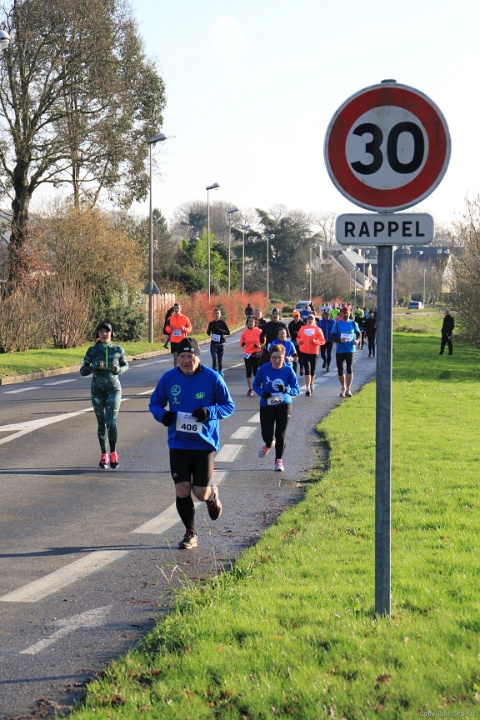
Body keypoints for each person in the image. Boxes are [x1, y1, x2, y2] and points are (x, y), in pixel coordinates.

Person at [149, 337, 235, 550]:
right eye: (182, 356)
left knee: (200, 492)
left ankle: (212, 496)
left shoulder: (212, 378)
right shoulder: (169, 378)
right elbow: (155, 403)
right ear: (177, 358)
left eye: (190, 356)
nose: (186, 361)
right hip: (178, 442)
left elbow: (229, 406)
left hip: (203, 444)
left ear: (198, 357)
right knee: (182, 489)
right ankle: (190, 532)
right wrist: (163, 415)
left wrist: (209, 412)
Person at [80, 322, 129, 469]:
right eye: (101, 331)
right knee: (101, 423)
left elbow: (126, 365)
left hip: (113, 389)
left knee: (111, 422)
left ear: (111, 333)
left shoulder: (118, 350)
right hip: (97, 391)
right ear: (98, 334)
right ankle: (103, 454)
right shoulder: (92, 350)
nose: (104, 334)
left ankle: (113, 452)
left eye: (107, 331)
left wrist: (118, 369)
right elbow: (83, 371)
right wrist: (94, 367)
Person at [253, 344, 300, 472]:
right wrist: (262, 393)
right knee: (267, 434)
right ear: (270, 357)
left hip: (284, 404)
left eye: (280, 357)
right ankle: (268, 443)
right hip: (267, 405)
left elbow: (296, 390)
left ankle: (278, 460)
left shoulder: (288, 370)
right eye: (274, 357)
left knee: (280, 433)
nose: (277, 360)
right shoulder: (264, 369)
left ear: (284, 357)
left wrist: (286, 389)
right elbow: (256, 385)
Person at [331, 305, 361, 398]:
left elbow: (359, 334)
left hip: (350, 349)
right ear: (341, 313)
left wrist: (357, 340)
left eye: (347, 313)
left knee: (349, 368)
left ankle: (348, 388)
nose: (346, 314)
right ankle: (343, 387)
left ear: (350, 313)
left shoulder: (353, 323)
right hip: (340, 350)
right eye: (344, 313)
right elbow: (332, 337)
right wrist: (340, 340)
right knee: (340, 371)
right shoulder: (337, 324)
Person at [296, 314, 326, 396]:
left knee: (312, 371)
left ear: (314, 321)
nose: (309, 320)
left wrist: (316, 342)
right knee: (307, 369)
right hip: (304, 351)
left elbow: (323, 341)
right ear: (306, 320)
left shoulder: (318, 329)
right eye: (308, 319)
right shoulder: (302, 328)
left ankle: (311, 383)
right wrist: (299, 341)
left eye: (311, 319)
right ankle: (308, 388)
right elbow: (298, 337)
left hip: (314, 352)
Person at [239, 315, 263, 396]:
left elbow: (264, 341)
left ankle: (259, 385)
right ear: (247, 323)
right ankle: (250, 389)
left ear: (255, 323)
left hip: (256, 353)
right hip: (247, 354)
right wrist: (243, 344)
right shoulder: (244, 332)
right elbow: (241, 343)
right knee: (248, 371)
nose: (250, 323)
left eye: (252, 321)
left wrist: (259, 345)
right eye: (249, 321)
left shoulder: (259, 331)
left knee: (256, 372)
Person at [164, 303, 193, 367]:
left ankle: (181, 368)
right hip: (173, 341)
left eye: (178, 308)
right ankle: (176, 370)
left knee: (181, 356)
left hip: (182, 341)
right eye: (175, 308)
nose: (176, 310)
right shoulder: (170, 318)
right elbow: (167, 328)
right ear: (173, 309)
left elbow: (190, 328)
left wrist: (184, 329)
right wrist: (171, 329)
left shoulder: (185, 318)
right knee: (175, 356)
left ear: (180, 309)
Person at [206, 308, 231, 375]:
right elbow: (208, 333)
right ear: (213, 315)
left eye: (218, 313)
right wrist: (208, 331)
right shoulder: (211, 323)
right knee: (214, 358)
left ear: (220, 315)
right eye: (215, 313)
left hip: (221, 344)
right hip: (213, 344)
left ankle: (220, 373)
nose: (217, 315)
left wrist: (220, 330)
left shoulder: (222, 323)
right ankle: (214, 373)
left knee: (220, 360)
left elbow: (228, 332)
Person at [318, 307, 335, 372]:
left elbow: (336, 329)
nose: (326, 317)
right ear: (323, 316)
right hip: (323, 340)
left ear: (330, 316)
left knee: (329, 353)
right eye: (325, 316)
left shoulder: (333, 322)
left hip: (330, 340)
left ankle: (328, 366)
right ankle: (325, 360)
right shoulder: (320, 322)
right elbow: (317, 330)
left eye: (328, 316)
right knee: (322, 354)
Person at [288, 310, 305, 375]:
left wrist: (297, 333)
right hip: (294, 342)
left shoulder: (302, 324)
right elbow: (291, 334)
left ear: (299, 316)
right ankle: (294, 372)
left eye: (297, 316)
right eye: (295, 316)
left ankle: (301, 366)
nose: (296, 318)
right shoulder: (291, 324)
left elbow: (303, 333)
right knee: (294, 356)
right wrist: (297, 333)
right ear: (293, 317)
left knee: (300, 357)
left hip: (301, 342)